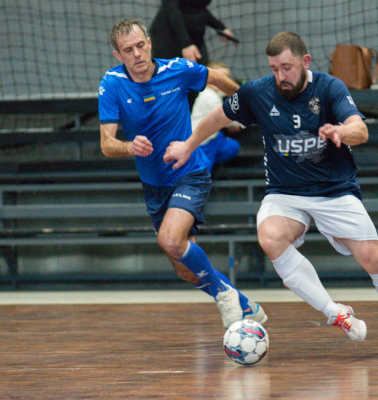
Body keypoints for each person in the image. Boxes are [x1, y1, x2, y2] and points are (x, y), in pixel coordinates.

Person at [164, 31, 378, 352]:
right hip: (285, 192)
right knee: (270, 237)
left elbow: (360, 130)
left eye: (287, 68)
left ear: (305, 62)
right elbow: (217, 118)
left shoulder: (329, 87)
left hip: (335, 190)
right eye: (274, 68)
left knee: (374, 259)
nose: (281, 76)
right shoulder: (257, 92)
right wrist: (188, 145)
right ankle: (335, 312)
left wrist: (341, 130)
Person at [98, 18, 266, 329]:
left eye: (140, 46)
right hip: (154, 185)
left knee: (170, 240)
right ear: (118, 55)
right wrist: (129, 147)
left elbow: (217, 77)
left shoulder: (177, 69)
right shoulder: (112, 83)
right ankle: (244, 303)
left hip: (189, 172)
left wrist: (247, 107)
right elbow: (106, 144)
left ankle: (225, 297)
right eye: (128, 50)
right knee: (183, 269)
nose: (137, 54)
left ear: (149, 43)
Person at [149, 0, 238, 108]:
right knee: (172, 84)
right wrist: (186, 44)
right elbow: (172, 10)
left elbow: (195, 7)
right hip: (169, 41)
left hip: (192, 41)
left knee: (199, 78)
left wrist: (220, 27)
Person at [191, 61, 241, 174]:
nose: (225, 81)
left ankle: (210, 160)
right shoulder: (209, 96)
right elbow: (226, 117)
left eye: (227, 78)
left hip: (214, 137)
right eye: (221, 78)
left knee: (232, 147)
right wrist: (235, 124)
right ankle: (200, 162)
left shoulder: (215, 93)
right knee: (202, 175)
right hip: (201, 142)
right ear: (209, 81)